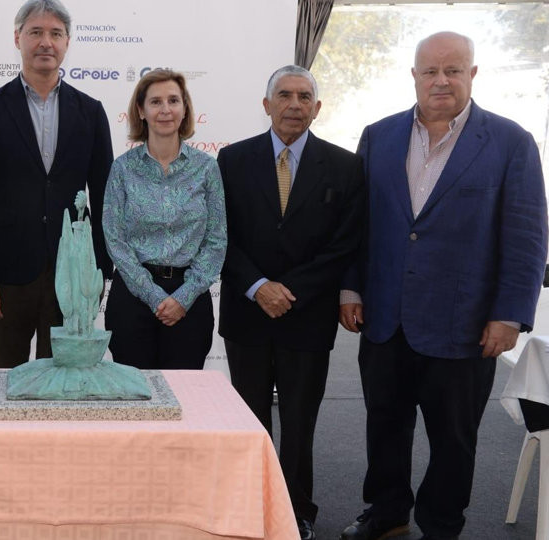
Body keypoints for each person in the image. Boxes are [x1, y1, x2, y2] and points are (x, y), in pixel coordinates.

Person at [339, 32, 548, 540]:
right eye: (430, 71)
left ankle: (441, 525)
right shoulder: (378, 135)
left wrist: (509, 314)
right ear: (413, 76)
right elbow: (355, 224)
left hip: (466, 324)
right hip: (386, 318)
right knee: (384, 426)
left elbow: (527, 236)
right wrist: (350, 289)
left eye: (453, 70)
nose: (441, 80)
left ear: (472, 75)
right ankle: (386, 514)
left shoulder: (510, 142)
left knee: (454, 440)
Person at [216, 65, 365, 540]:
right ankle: (249, 506)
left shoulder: (345, 166)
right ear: (266, 105)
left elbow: (345, 244)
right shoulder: (230, 161)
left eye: (305, 96)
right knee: (250, 420)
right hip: (247, 313)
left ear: (317, 108)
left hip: (307, 317)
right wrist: (258, 285)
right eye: (284, 95)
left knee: (300, 424)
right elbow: (219, 236)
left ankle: (296, 512)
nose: (294, 104)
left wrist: (288, 290)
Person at [0, 0, 113, 368]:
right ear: (17, 38)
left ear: (67, 42)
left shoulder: (91, 111)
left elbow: (106, 197)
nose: (46, 42)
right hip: (7, 273)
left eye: (55, 34)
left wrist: (100, 271)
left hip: (72, 274)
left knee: (64, 378)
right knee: (6, 377)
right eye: (36, 33)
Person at [102, 69, 227, 369]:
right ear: (141, 111)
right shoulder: (123, 169)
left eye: (173, 100)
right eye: (155, 102)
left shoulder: (207, 169)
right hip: (132, 297)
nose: (165, 110)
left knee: (184, 400)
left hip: (190, 298)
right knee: (135, 399)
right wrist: (152, 294)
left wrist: (183, 297)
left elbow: (216, 239)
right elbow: (114, 239)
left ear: (184, 109)